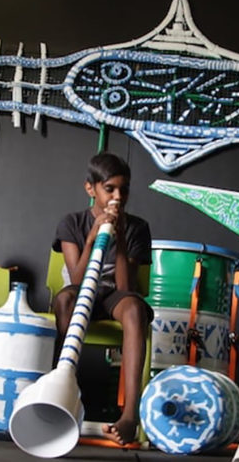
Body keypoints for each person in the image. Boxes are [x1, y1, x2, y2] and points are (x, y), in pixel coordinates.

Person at [52, 152, 152, 445]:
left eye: (124, 189)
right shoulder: (71, 222)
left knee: (135, 308)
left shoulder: (137, 227)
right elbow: (78, 281)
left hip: (113, 296)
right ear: (90, 188)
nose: (118, 197)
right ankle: (60, 397)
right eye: (110, 189)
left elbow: (125, 286)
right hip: (81, 291)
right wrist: (92, 238)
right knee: (64, 301)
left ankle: (129, 415)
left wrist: (119, 240)